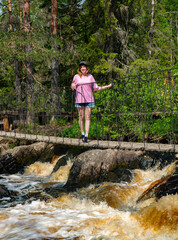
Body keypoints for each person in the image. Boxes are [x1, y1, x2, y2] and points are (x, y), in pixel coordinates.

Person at [71, 61, 112, 143]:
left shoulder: (90, 77)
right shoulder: (76, 76)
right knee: (81, 117)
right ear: (79, 68)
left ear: (87, 68)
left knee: (88, 117)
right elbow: (72, 86)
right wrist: (72, 85)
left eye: (84, 67)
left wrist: (107, 86)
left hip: (89, 99)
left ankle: (86, 135)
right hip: (79, 99)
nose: (83, 68)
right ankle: (82, 133)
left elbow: (96, 88)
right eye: (81, 67)